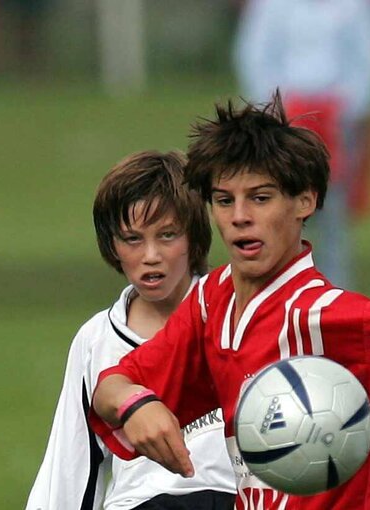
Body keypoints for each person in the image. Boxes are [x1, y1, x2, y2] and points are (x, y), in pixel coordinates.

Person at [87, 95, 370, 510]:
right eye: (224, 200)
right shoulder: (213, 302)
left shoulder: (334, 321)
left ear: (306, 201)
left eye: (261, 198)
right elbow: (110, 386)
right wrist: (137, 404)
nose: (240, 216)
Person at [26, 151, 237, 510]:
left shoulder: (238, 312)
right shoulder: (96, 340)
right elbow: (70, 466)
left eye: (167, 235)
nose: (151, 255)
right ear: (112, 246)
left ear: (194, 239)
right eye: (133, 239)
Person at [234, 0, 370, 289]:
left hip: (337, 120)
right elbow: (255, 55)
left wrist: (347, 108)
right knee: (278, 206)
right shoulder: (270, 6)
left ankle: (335, 288)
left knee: (332, 208)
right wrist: (276, 111)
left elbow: (368, 58)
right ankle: (278, 286)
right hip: (284, 119)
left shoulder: (357, 6)